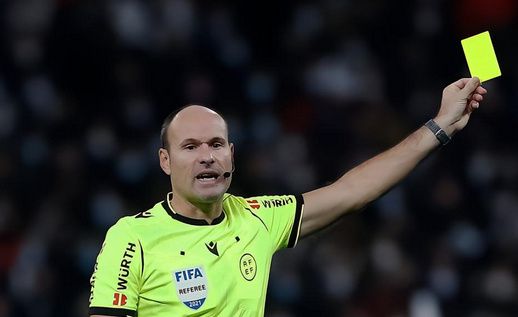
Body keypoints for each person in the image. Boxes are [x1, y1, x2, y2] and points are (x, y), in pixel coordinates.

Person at [88, 77, 487, 316]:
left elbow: (351, 192)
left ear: (232, 155)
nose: (206, 156)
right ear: (165, 161)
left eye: (216, 144)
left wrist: (439, 126)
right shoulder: (131, 238)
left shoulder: (257, 218)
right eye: (189, 147)